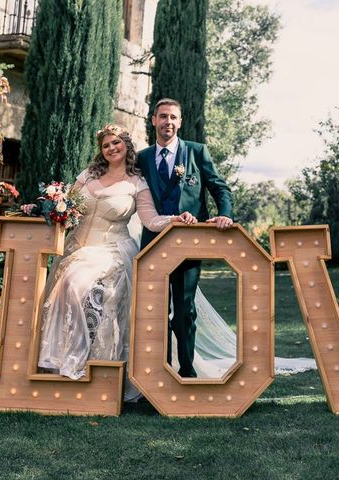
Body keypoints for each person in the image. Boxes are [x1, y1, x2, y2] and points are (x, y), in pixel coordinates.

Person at [37, 125, 197, 386]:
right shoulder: (88, 175)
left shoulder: (136, 183)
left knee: (74, 284)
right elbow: (66, 205)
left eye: (116, 143)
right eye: (106, 145)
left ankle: (77, 364)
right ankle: (56, 365)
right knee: (63, 290)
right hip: (75, 248)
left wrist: (175, 219)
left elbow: (151, 220)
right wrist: (47, 207)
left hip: (110, 250)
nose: (111, 148)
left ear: (126, 146)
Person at [137, 98, 234, 377]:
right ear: (153, 120)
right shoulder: (142, 159)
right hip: (152, 245)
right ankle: (159, 373)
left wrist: (224, 213)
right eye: (163, 116)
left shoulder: (196, 152)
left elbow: (219, 188)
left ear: (180, 122)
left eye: (173, 117)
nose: (168, 122)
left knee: (184, 310)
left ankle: (187, 372)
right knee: (152, 312)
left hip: (188, 247)